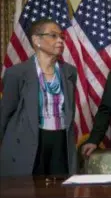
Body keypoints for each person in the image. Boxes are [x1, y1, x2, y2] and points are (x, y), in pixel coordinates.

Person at [0, 18, 77, 176]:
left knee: (60, 190)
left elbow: (70, 111)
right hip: (27, 142)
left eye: (62, 36)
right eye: (53, 36)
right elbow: (5, 114)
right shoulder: (17, 73)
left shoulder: (69, 72)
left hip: (60, 141)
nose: (60, 41)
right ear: (37, 40)